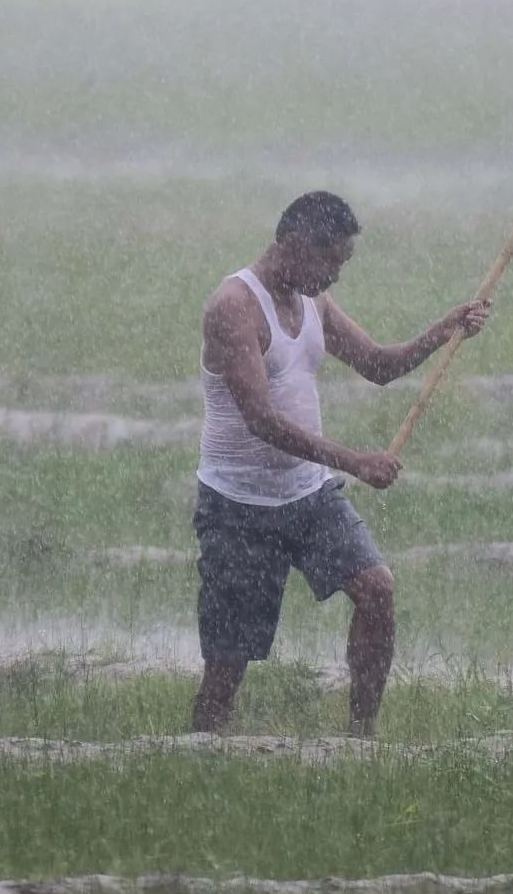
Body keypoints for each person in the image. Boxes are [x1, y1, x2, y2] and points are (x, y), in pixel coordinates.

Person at [191, 190, 490, 737]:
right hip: (237, 506)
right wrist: (355, 461)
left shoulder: (314, 305)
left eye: (341, 264)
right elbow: (261, 420)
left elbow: (378, 365)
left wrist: (447, 328)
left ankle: (360, 739)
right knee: (227, 664)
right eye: (329, 261)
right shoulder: (233, 308)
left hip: (308, 496)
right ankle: (198, 754)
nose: (334, 277)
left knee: (376, 589)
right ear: (291, 243)